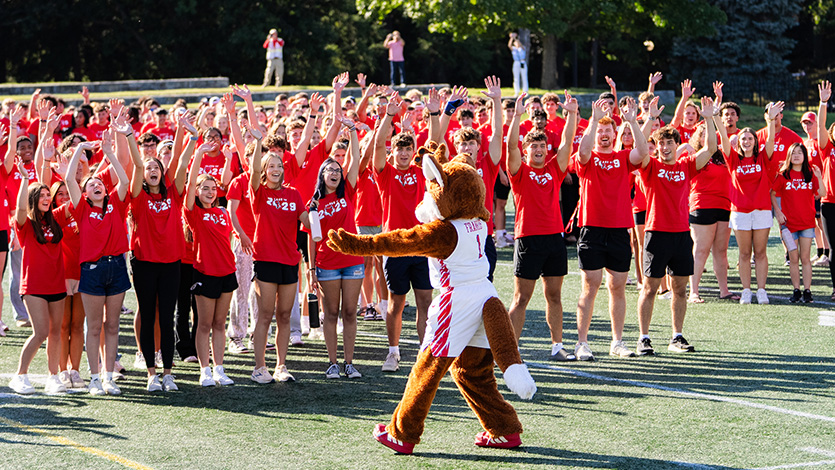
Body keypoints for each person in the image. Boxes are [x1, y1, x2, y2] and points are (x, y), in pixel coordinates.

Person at [635, 97, 717, 356]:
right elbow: (639, 146)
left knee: (680, 289)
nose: (665, 147)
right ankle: (644, 338)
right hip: (656, 233)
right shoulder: (650, 166)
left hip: (682, 235)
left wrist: (709, 118)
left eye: (669, 142)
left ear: (676, 145)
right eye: (661, 143)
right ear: (656, 147)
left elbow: (711, 148)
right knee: (650, 288)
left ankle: (676, 336)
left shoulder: (686, 165)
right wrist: (648, 119)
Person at [573, 96, 648, 360]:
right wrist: (593, 122)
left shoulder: (623, 157)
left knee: (617, 286)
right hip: (592, 228)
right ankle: (582, 342)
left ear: (615, 134)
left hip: (618, 229)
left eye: (608, 131)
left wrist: (632, 122)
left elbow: (643, 153)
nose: (604, 135)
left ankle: (617, 341)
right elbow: (581, 153)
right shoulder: (588, 158)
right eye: (600, 131)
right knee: (590, 285)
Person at [126, 110, 195, 392]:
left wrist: (189, 133)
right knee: (148, 314)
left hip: (170, 263)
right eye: (149, 168)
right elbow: (137, 166)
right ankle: (150, 373)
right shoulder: (137, 196)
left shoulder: (174, 193)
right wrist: (130, 135)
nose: (153, 170)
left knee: (167, 317)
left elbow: (181, 161)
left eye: (157, 167)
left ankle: (168, 373)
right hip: (143, 262)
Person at [506, 91, 578, 361]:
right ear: (527, 151)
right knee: (521, 299)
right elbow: (511, 147)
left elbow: (568, 142)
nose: (538, 150)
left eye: (542, 147)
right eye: (533, 147)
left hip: (554, 240)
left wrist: (571, 113)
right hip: (528, 239)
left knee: (555, 297)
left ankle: (557, 346)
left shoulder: (553, 169)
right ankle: (510, 350)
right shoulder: (520, 171)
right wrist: (516, 115)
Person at [64, 131, 131, 396]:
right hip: (91, 270)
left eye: (99, 183)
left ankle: (108, 376)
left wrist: (109, 151)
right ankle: (94, 378)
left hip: (116, 266)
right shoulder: (81, 208)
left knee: (112, 325)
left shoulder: (116, 202)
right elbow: (70, 178)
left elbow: (124, 179)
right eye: (91, 184)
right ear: (85, 192)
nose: (97, 185)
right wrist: (79, 149)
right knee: (93, 326)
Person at [249, 137, 310, 384]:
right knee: (265, 315)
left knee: (284, 315)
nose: (276, 170)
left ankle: (281, 365)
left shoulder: (294, 194)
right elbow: (252, 171)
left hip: (289, 261)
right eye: (271, 166)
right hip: (265, 259)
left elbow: (306, 220)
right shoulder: (259, 192)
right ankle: (259, 367)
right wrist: (257, 140)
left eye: (280, 166)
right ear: (264, 171)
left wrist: (318, 217)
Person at [7, 162, 70, 395]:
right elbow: (20, 209)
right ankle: (20, 375)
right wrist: (24, 181)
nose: (46, 197)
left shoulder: (54, 219)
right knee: (41, 331)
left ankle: (53, 376)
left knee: (56, 332)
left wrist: (67, 175)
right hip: (33, 285)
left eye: (47, 194)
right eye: (41, 195)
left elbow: (75, 203)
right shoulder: (24, 224)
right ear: (34, 199)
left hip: (57, 283)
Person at [307, 117, 363, 378]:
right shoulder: (315, 203)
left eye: (337, 170)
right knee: (330, 313)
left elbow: (356, 159)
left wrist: (352, 131)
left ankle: (349, 363)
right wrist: (311, 268)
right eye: (329, 170)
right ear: (322, 175)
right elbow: (311, 237)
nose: (335, 173)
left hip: (352, 261)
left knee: (350, 312)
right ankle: (332, 363)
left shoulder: (348, 191)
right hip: (327, 263)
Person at [718, 103, 782, 304]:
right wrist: (715, 118)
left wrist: (770, 120)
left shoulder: (763, 158)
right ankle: (746, 290)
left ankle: (761, 290)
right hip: (740, 211)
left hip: (762, 210)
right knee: (744, 253)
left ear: (756, 141)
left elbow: (771, 139)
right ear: (739, 142)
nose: (746, 141)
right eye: (743, 138)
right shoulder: (733, 159)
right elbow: (723, 138)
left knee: (760, 252)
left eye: (750, 138)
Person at [185, 142, 237, 387]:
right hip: (204, 272)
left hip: (227, 272)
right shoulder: (193, 212)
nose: (210, 191)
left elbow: (226, 240)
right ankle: (204, 370)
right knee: (203, 323)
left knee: (220, 323)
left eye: (213, 188)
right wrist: (198, 155)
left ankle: (219, 368)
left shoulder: (223, 212)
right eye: (204, 188)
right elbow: (188, 189)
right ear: (196, 191)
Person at [772, 143, 824, 303]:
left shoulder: (810, 174)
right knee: (793, 258)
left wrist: (819, 177)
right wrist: (778, 213)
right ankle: (796, 290)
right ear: (789, 156)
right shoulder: (783, 175)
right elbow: (773, 194)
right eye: (793, 153)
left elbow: (821, 193)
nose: (796, 156)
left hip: (807, 223)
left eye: (799, 153)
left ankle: (807, 290)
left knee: (806, 258)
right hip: (789, 225)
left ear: (804, 156)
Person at [508, 33, 528, 97]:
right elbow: (509, 45)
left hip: (522, 62)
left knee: (524, 77)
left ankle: (525, 91)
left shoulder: (522, 48)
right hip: (516, 62)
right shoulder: (514, 49)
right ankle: (517, 91)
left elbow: (521, 45)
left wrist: (516, 38)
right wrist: (511, 38)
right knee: (516, 78)